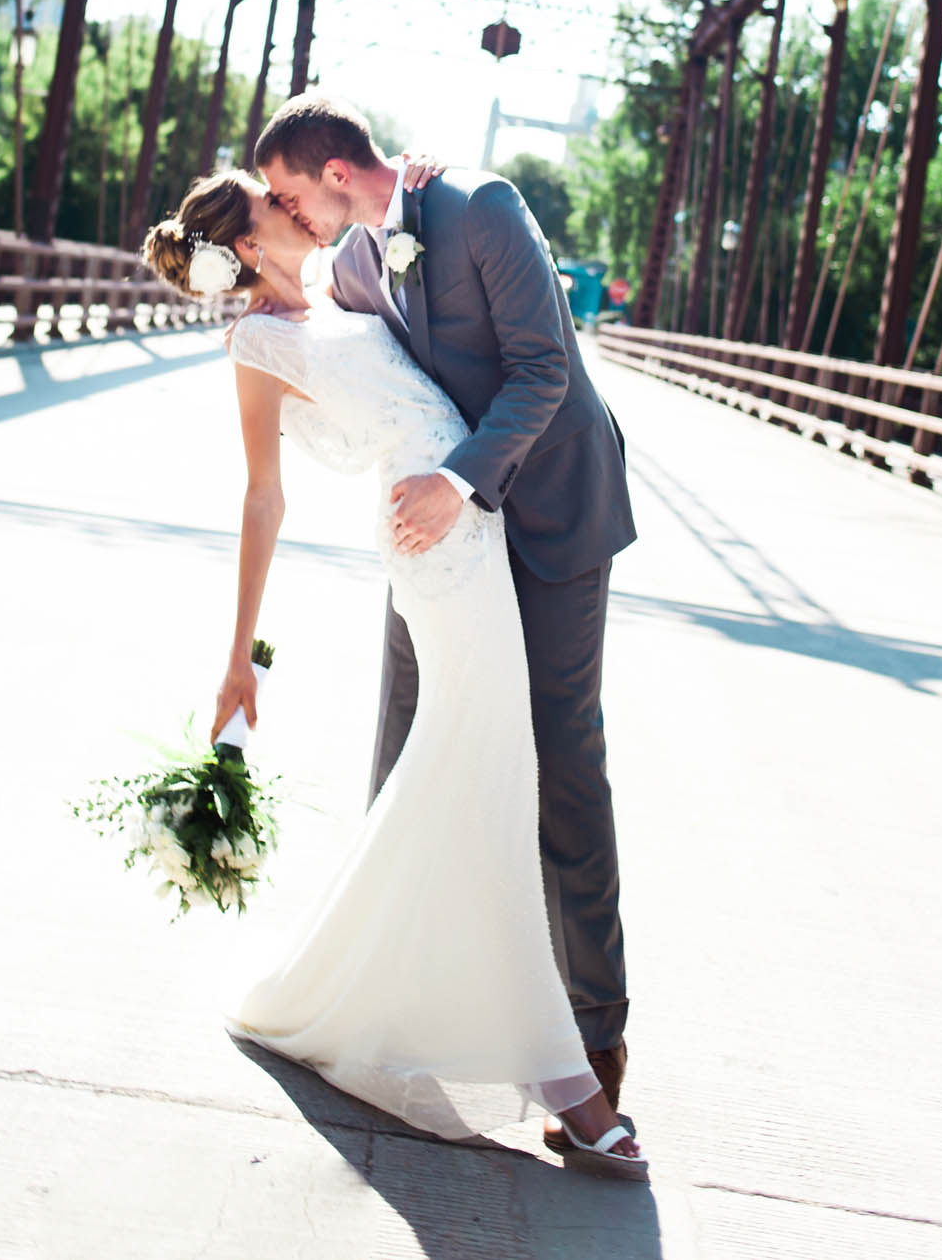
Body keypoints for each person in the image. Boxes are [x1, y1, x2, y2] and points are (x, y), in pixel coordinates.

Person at [142, 161, 646, 1180]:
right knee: (490, 772)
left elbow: (436, 318)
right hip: (433, 551)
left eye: (293, 196)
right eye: (276, 208)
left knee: (479, 772)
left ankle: (375, 985)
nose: (297, 212)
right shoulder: (257, 344)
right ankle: (573, 1089)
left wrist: (406, 186)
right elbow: (262, 498)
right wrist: (236, 656)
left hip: (471, 531)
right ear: (247, 247)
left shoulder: (342, 285)